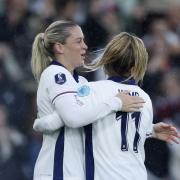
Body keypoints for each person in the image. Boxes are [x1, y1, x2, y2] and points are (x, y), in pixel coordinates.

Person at [33, 32, 180, 180]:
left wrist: (40, 123)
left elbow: (67, 117)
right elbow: (125, 129)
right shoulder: (145, 98)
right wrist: (150, 130)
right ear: (138, 66)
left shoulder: (92, 90)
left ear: (106, 61)